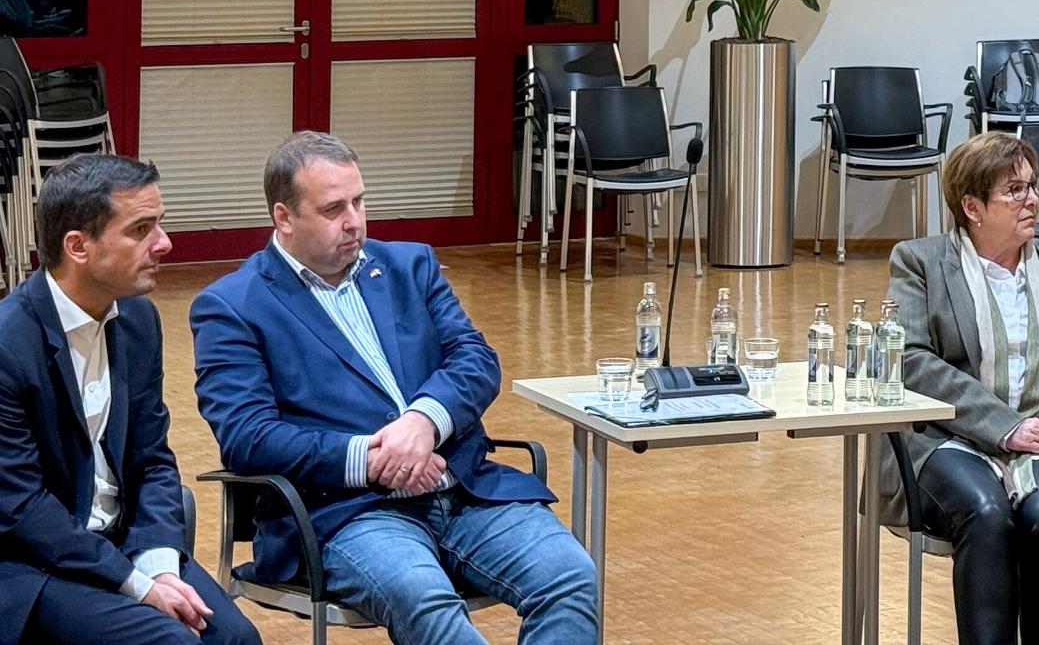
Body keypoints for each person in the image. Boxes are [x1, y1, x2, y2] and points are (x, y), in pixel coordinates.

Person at [189, 131, 597, 644]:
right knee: (425, 600)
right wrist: (374, 456)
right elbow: (248, 437)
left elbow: (475, 359)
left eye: (359, 201)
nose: (354, 221)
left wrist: (423, 423)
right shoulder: (232, 306)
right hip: (347, 512)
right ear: (284, 218)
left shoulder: (410, 266)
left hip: (464, 490)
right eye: (333, 209)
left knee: (571, 578)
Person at [879, 130, 1039, 645]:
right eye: (1015, 190)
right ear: (973, 207)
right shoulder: (920, 262)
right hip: (947, 440)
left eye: (1033, 185)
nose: (1033, 199)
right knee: (987, 511)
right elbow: (908, 359)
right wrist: (1007, 427)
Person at [0, 154, 261, 645]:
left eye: (158, 224)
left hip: (125, 545)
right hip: (34, 565)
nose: (164, 243)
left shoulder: (139, 322)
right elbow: (21, 509)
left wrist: (160, 565)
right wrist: (137, 587)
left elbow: (153, 459)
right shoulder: (7, 346)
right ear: (78, 246)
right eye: (141, 229)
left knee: (237, 639)